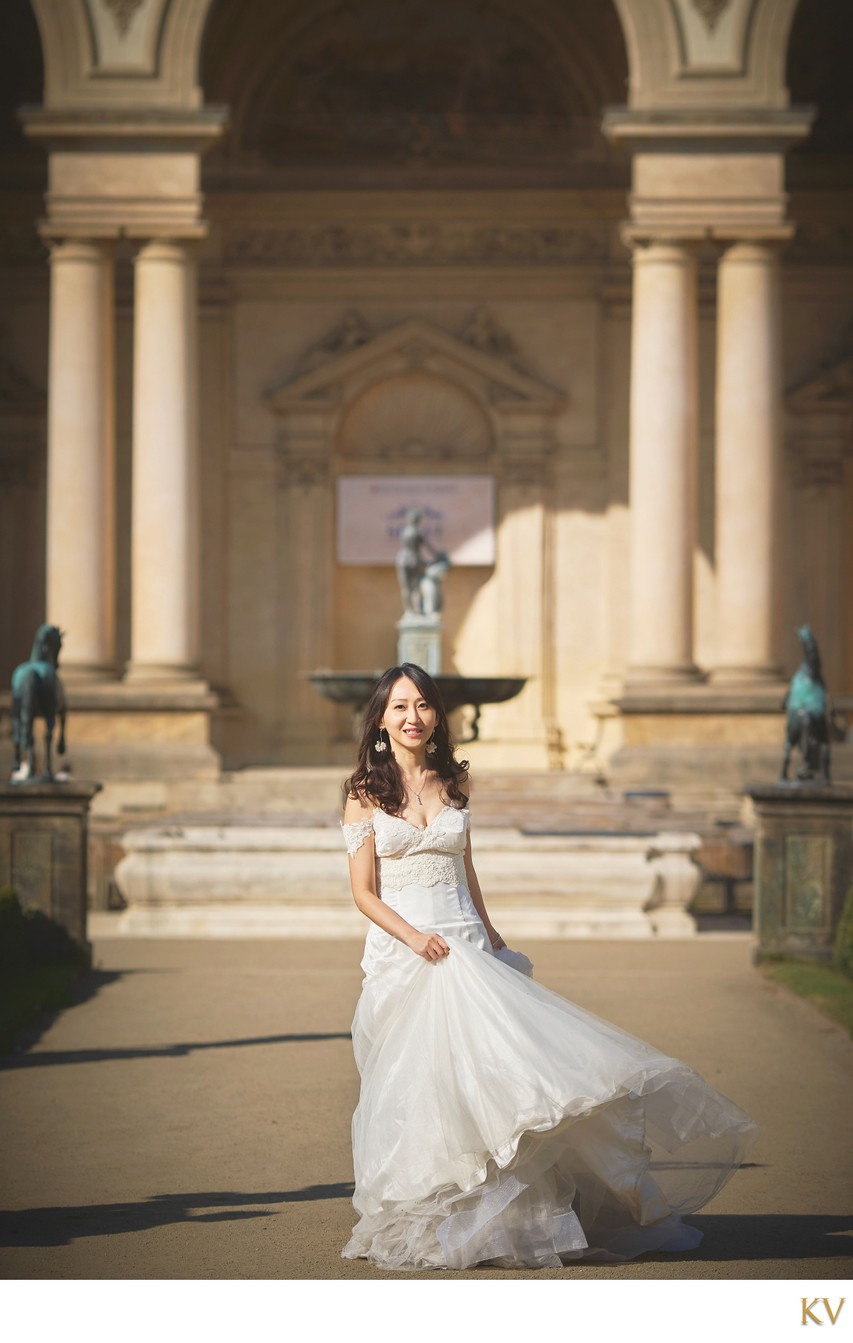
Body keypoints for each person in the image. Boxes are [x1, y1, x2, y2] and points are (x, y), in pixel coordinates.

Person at [340, 662, 757, 1271]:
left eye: (423, 706)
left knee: (505, 1082)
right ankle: (440, 1210)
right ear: (381, 717)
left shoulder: (451, 784)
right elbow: (364, 892)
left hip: (467, 947)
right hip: (408, 953)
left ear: (436, 716)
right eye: (400, 707)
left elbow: (466, 871)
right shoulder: (364, 792)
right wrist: (412, 937)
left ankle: (517, 1220)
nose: (413, 717)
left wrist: (488, 929)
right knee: (428, 1090)